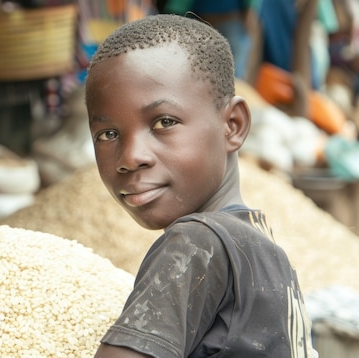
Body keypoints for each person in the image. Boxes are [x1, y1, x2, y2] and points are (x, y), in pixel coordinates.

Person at [84, 14, 318, 357]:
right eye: (108, 134)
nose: (131, 157)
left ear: (233, 125)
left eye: (164, 122)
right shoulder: (266, 253)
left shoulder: (197, 242)